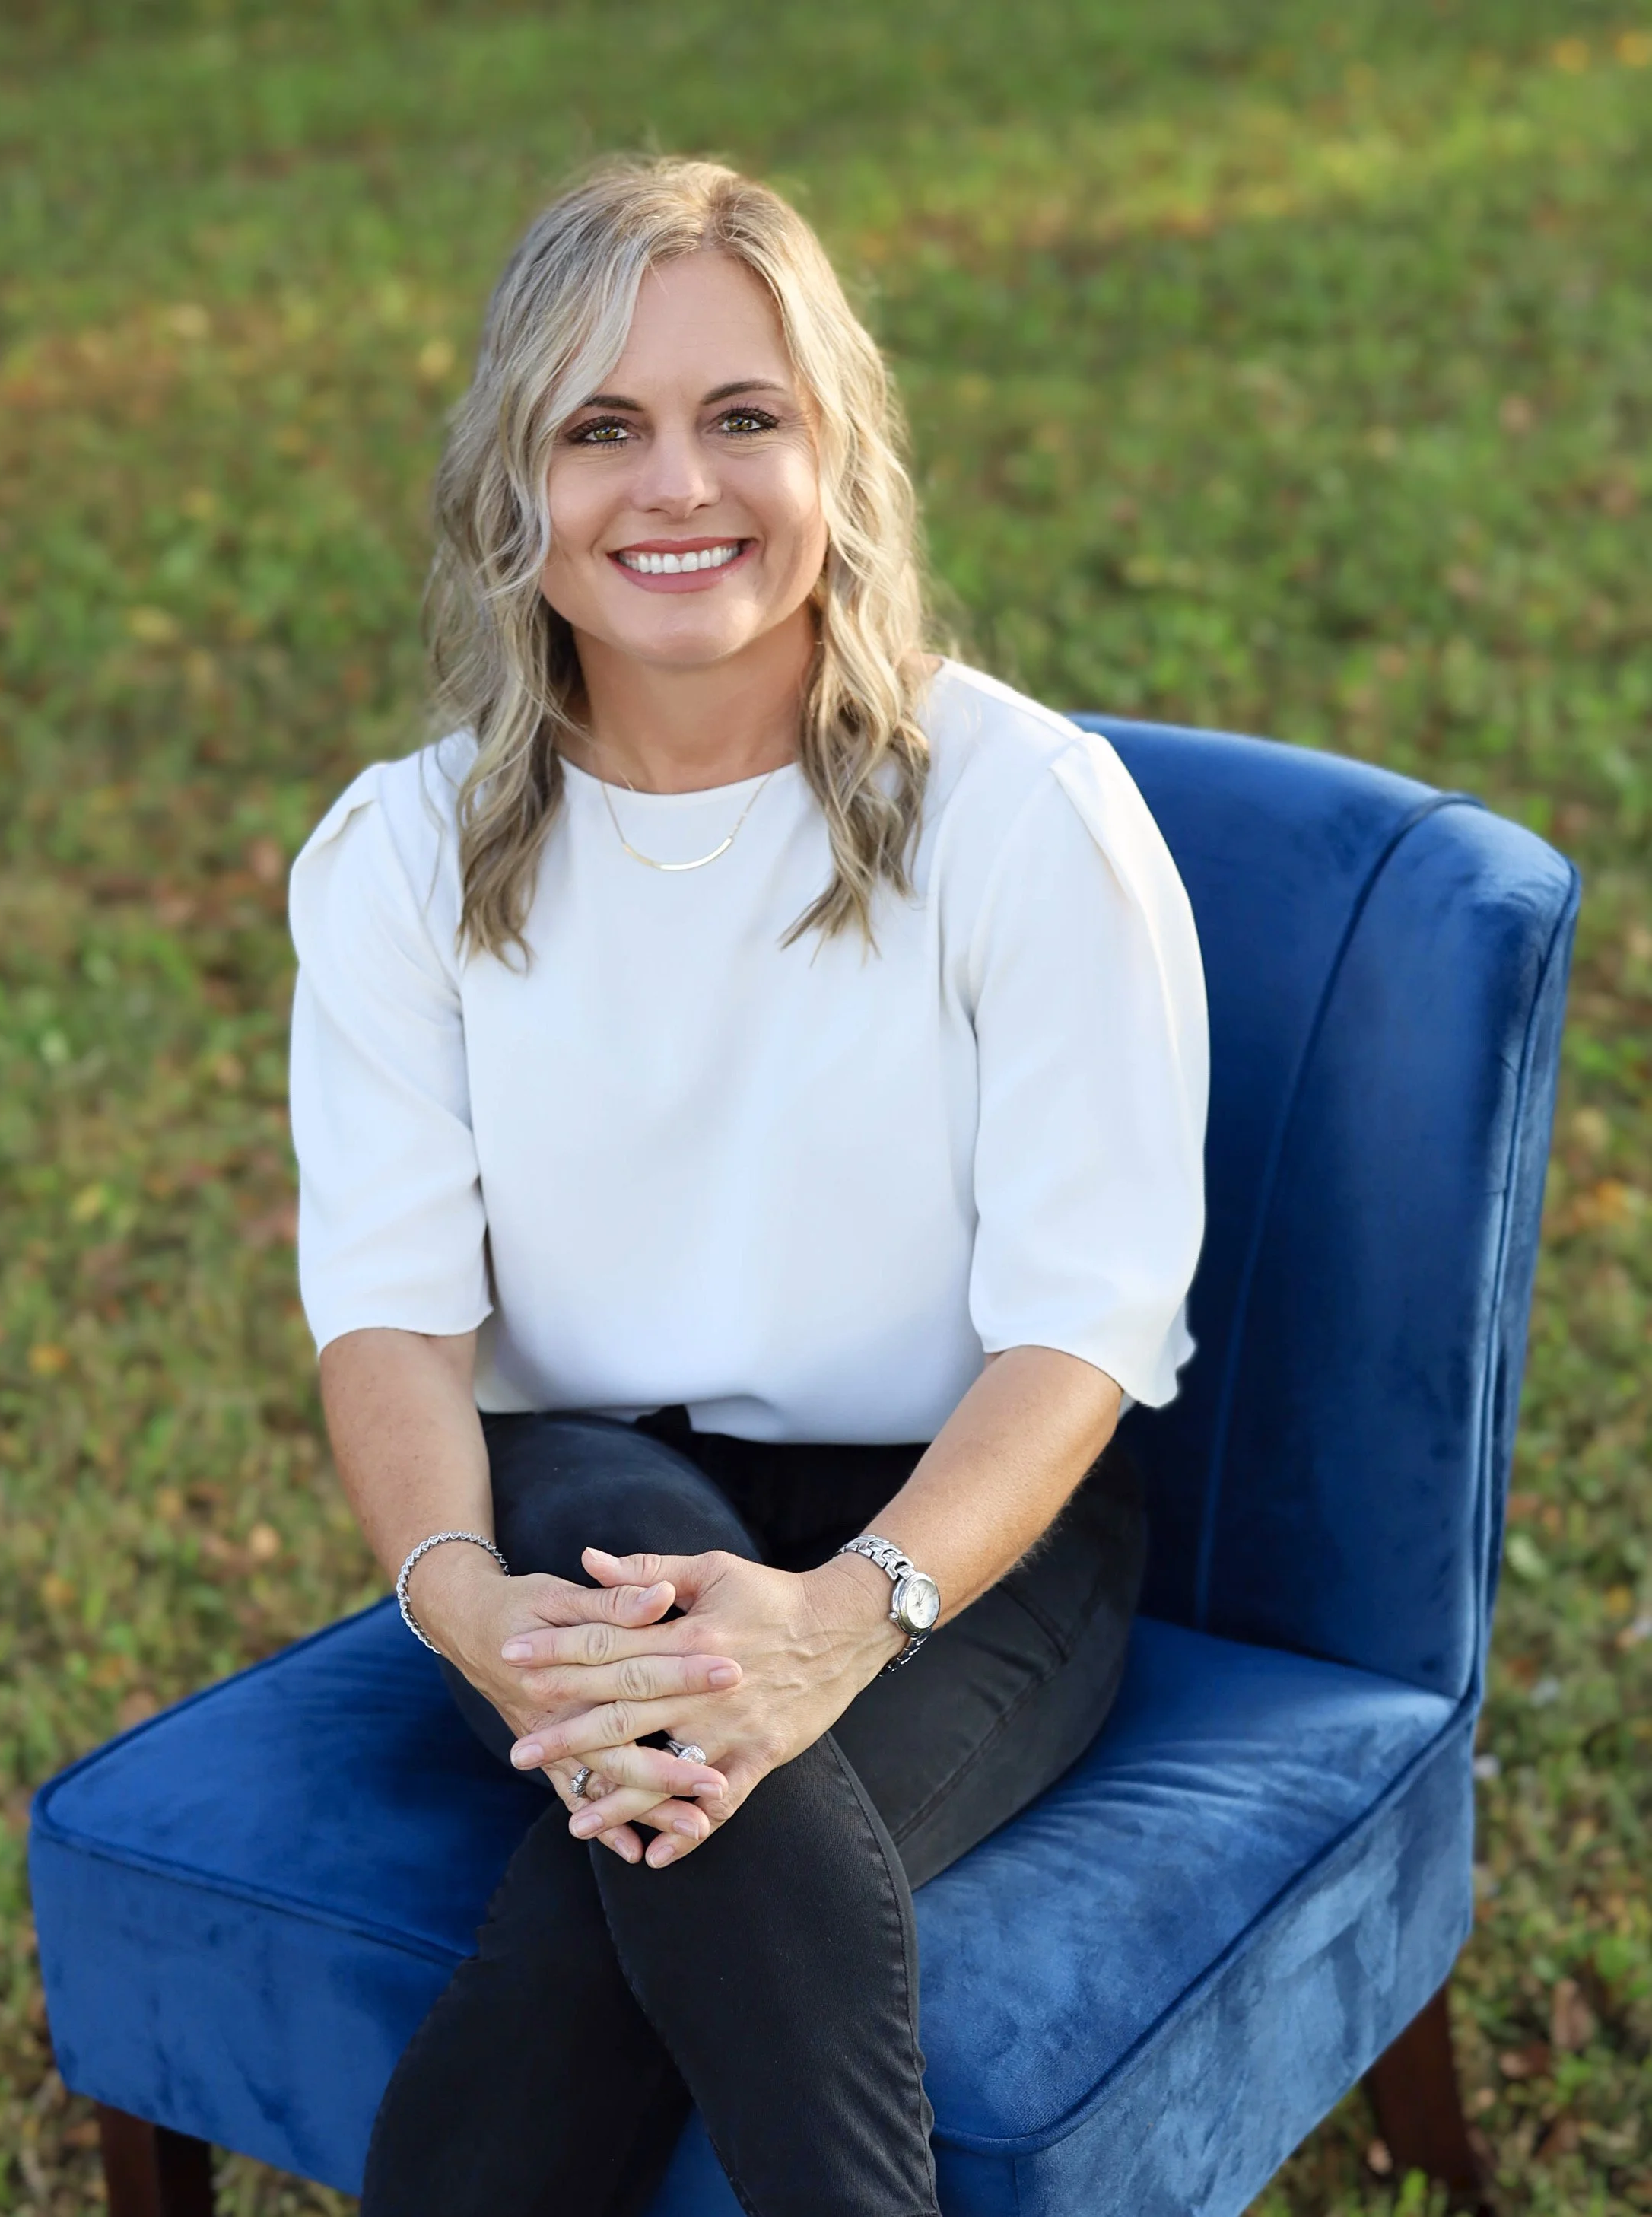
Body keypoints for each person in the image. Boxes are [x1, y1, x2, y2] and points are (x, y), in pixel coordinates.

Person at [288, 154, 1207, 2217]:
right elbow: (391, 1310)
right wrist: (467, 1608)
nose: (671, 486)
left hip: (962, 1516)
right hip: (590, 1500)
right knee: (657, 1655)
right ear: (513, 485)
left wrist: (843, 1621)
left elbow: (1088, 1315)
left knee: (652, 1867)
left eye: (742, 417)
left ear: (838, 456)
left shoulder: (1024, 817)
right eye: (598, 426)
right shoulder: (397, 859)